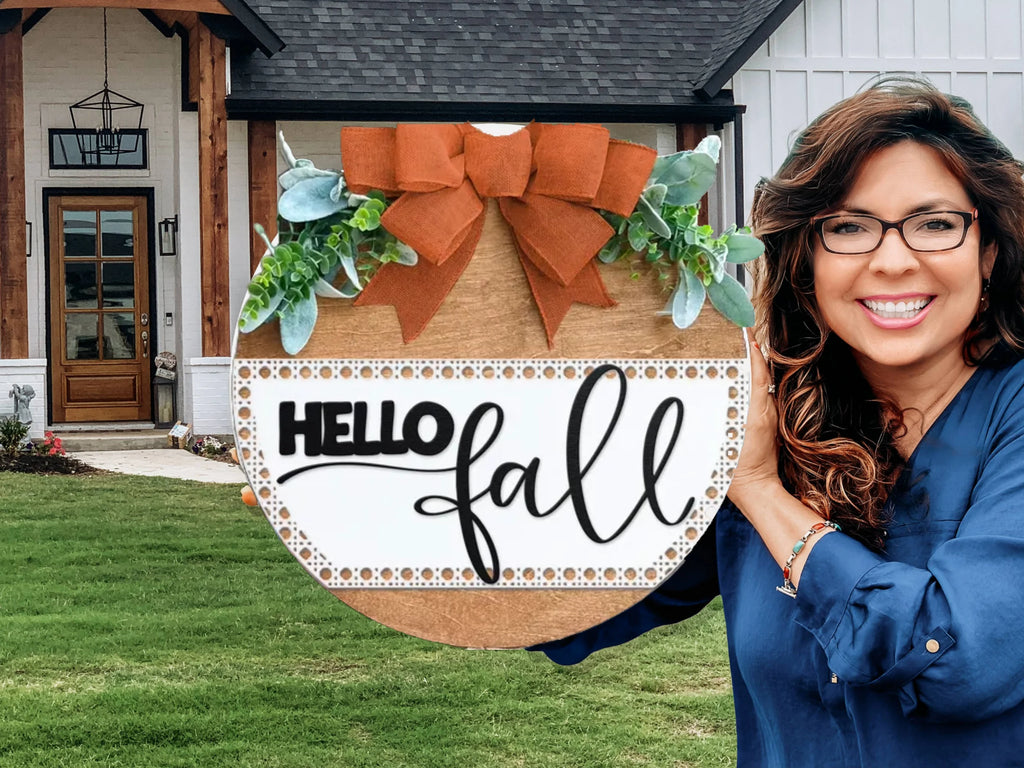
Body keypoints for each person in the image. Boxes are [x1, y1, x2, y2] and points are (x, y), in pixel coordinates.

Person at [535, 78, 1024, 766]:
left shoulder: (1008, 416)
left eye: (935, 224)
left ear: (989, 250)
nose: (892, 260)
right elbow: (567, 603)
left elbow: (961, 661)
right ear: (806, 259)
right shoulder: (770, 417)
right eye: (848, 227)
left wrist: (762, 493)